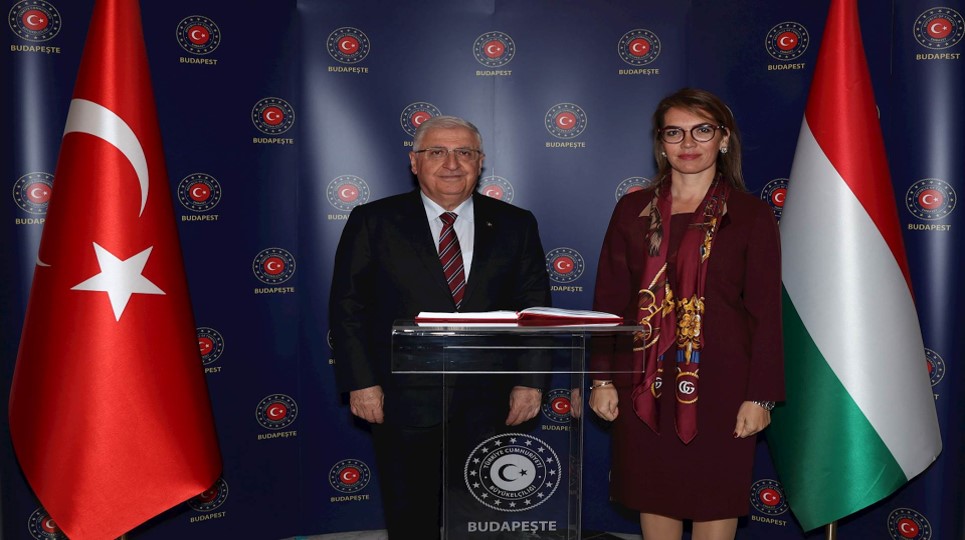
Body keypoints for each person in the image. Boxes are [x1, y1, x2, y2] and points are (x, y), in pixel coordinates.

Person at [329, 115, 552, 539]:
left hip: (489, 402)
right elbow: (348, 307)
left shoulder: (516, 223)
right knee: (411, 519)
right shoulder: (374, 220)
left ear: (480, 162)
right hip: (402, 400)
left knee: (482, 521)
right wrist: (360, 382)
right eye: (437, 152)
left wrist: (530, 382)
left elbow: (534, 309)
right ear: (414, 162)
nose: (452, 163)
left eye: (464, 152)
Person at [588, 88, 784, 540]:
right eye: (675, 132)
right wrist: (601, 379)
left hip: (723, 388)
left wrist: (760, 397)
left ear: (724, 139)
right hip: (642, 383)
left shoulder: (750, 215)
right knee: (654, 493)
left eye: (702, 130)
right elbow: (609, 302)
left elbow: (765, 313)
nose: (688, 143)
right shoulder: (632, 210)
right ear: (661, 143)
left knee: (715, 495)